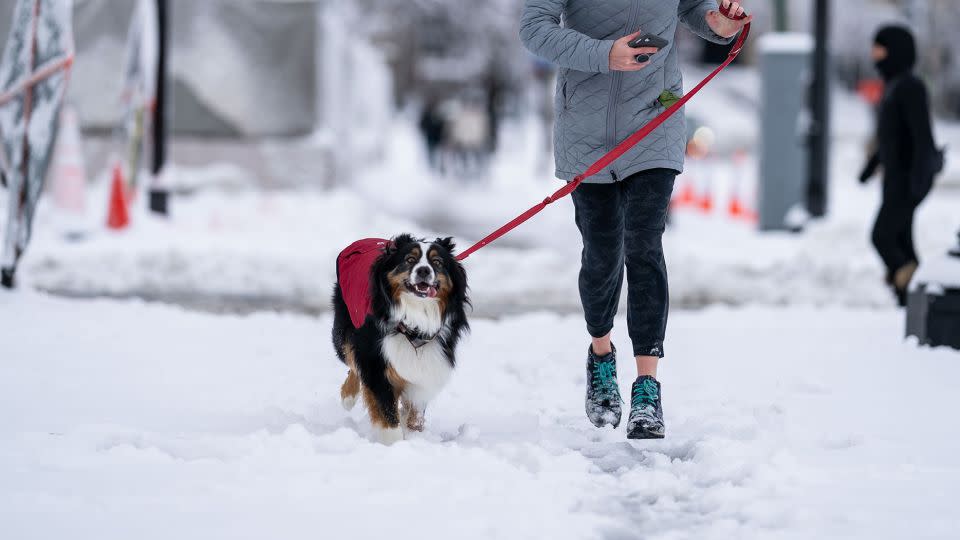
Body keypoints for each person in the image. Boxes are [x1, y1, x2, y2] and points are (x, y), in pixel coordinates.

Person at [519, 0, 750, 439]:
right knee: (602, 252)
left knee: (643, 243)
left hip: (655, 119)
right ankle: (602, 354)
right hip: (587, 132)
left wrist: (719, 23)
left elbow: (696, 9)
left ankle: (648, 388)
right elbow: (534, 28)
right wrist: (604, 54)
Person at [859, 25, 943, 306]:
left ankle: (913, 284)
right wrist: (871, 168)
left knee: (882, 236)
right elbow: (889, 138)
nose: (874, 53)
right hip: (895, 178)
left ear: (895, 50)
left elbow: (922, 136)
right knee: (902, 239)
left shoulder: (910, 86)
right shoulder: (893, 86)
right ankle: (912, 301)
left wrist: (919, 179)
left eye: (879, 47)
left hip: (908, 178)